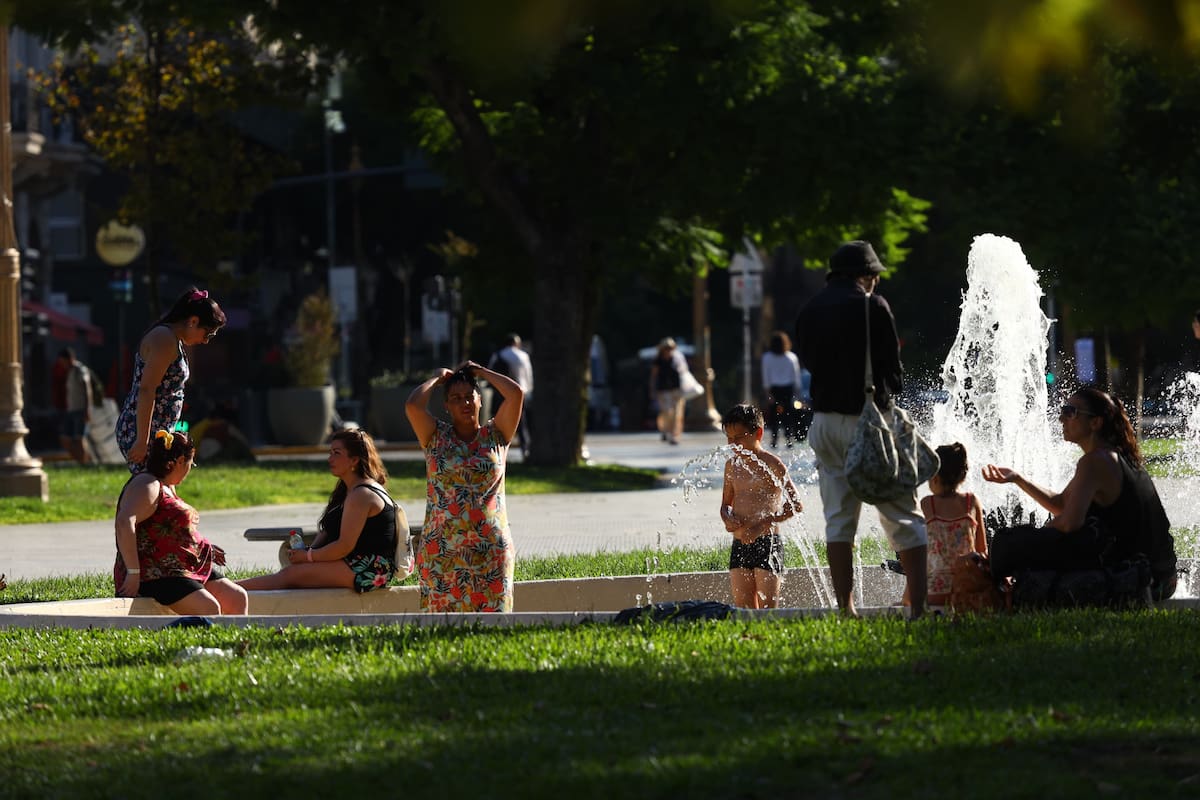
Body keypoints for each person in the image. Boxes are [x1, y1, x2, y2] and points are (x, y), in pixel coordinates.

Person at [794, 240, 928, 618]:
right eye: (875, 277)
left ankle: (846, 608)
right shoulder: (872, 306)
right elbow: (893, 370)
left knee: (838, 518)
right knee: (903, 513)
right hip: (868, 422)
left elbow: (808, 360)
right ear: (866, 276)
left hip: (823, 423)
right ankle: (917, 608)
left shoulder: (810, 309)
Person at [982, 386, 1178, 600]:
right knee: (1020, 546)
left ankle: (994, 590)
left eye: (1070, 412)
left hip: (1142, 579)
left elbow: (1069, 523)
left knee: (1006, 544)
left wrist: (1036, 536)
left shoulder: (1095, 461)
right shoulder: (1107, 457)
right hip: (1160, 576)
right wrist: (1018, 478)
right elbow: (1060, 504)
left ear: (1095, 423)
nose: (1061, 419)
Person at [405, 361, 523, 612]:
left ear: (480, 400)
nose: (465, 403)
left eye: (470, 396)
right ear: (446, 406)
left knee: (493, 628)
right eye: (456, 398)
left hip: (489, 550)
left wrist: (480, 372)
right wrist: (437, 379)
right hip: (442, 552)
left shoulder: (497, 435)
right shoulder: (435, 437)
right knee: (440, 630)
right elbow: (412, 406)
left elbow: (516, 394)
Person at [238, 429, 401, 593]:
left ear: (354, 460)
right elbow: (329, 530)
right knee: (292, 574)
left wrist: (309, 557)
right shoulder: (348, 490)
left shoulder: (361, 494)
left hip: (371, 570)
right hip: (354, 562)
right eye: (330, 452)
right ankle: (227, 587)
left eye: (336, 453)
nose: (330, 459)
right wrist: (308, 553)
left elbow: (344, 546)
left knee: (290, 576)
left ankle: (227, 589)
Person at [113, 429, 247, 615]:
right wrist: (133, 573)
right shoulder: (147, 484)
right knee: (208, 608)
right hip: (154, 574)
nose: (190, 469)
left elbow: (172, 530)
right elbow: (124, 523)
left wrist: (202, 547)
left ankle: (236, 644)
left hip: (180, 568)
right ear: (179, 462)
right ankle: (203, 645)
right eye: (191, 463)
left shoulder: (168, 486)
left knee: (237, 597)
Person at [116, 287, 225, 472]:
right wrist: (142, 441)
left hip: (157, 430)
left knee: (161, 490)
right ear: (193, 321)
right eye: (208, 333)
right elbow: (146, 389)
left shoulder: (174, 340)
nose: (206, 340)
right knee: (149, 487)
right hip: (144, 430)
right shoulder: (164, 339)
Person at [720, 404, 803, 609]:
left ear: (758, 432)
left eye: (738, 437)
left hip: (768, 543)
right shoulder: (732, 465)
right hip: (739, 544)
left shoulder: (772, 464)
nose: (732, 444)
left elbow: (796, 504)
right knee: (743, 607)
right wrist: (726, 516)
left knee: (768, 608)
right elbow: (725, 504)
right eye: (729, 438)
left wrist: (764, 524)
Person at [921, 443, 987, 606]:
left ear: (934, 477)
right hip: (968, 587)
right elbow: (982, 551)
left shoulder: (927, 504)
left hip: (936, 590)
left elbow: (920, 554)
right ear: (962, 477)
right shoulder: (971, 502)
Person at [488, 333, 534, 457]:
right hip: (521, 393)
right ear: (517, 343)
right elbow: (528, 376)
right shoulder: (523, 356)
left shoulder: (498, 355)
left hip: (501, 394)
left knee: (496, 423)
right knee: (521, 423)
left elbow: (490, 372)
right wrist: (529, 391)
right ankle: (525, 449)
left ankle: (494, 449)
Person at [761, 331, 803, 448]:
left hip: (774, 389)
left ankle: (774, 439)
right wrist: (797, 394)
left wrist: (768, 393)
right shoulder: (791, 357)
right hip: (788, 389)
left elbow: (766, 376)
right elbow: (796, 376)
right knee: (788, 415)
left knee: (774, 416)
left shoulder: (767, 358)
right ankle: (789, 438)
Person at [54, 347, 93, 464]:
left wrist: (87, 409)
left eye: (63, 361)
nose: (62, 364)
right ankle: (80, 460)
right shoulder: (69, 372)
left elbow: (87, 389)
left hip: (80, 410)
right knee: (65, 439)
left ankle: (84, 463)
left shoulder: (80, 370)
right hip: (71, 410)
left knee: (79, 439)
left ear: (69, 359)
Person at [649, 337, 687, 445]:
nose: (668, 350)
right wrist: (652, 390)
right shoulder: (658, 360)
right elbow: (653, 376)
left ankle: (673, 435)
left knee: (676, 413)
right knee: (666, 412)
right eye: (666, 348)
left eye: (670, 348)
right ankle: (665, 431)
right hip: (663, 390)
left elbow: (683, 373)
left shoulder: (677, 359)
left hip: (676, 389)